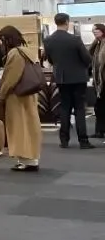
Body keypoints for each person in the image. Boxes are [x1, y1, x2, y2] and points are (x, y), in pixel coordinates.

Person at [43, 12, 94, 149]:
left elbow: (50, 60)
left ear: (56, 22)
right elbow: (87, 59)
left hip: (61, 78)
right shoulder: (75, 39)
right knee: (79, 109)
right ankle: (83, 141)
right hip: (78, 78)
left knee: (64, 107)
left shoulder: (48, 40)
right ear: (67, 22)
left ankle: (64, 140)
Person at [0, 25, 43, 172]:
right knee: (30, 125)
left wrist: (1, 94)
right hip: (29, 94)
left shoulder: (15, 53)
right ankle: (31, 159)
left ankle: (25, 159)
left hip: (17, 96)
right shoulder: (27, 51)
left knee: (19, 126)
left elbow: (11, 77)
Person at [91, 23, 105, 138]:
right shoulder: (97, 44)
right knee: (99, 107)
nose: (94, 32)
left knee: (100, 106)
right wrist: (95, 42)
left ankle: (100, 130)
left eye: (96, 30)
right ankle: (99, 131)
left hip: (103, 80)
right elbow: (89, 54)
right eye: (93, 30)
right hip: (99, 82)